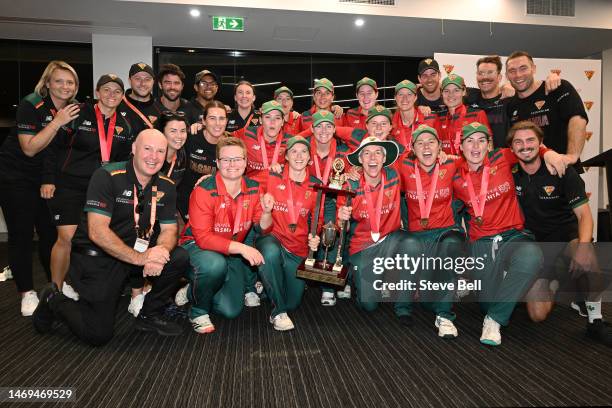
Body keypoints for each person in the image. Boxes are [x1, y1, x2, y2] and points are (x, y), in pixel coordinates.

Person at [32, 129, 188, 345]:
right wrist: (141, 259)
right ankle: (54, 299)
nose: (153, 156)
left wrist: (160, 251)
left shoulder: (166, 186)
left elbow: (170, 229)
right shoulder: (106, 176)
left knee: (178, 257)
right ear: (134, 149)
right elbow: (97, 232)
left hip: (138, 252)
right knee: (97, 335)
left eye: (160, 151)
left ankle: (148, 314)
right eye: (147, 149)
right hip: (99, 257)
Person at [452, 121, 565, 346]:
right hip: (481, 240)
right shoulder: (454, 174)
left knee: (530, 256)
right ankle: (507, 290)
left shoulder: (501, 157)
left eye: (481, 141)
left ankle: (494, 320)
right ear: (461, 147)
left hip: (513, 234)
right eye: (469, 141)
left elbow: (526, 147)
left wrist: (548, 152)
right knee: (486, 302)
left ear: (489, 145)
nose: (475, 146)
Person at [509, 121, 612, 346]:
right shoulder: (509, 174)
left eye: (530, 140)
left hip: (566, 236)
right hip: (533, 245)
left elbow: (585, 215)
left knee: (588, 260)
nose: (525, 146)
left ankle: (595, 320)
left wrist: (584, 246)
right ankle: (557, 281)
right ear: (512, 148)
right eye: (518, 142)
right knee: (537, 314)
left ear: (541, 144)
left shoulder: (561, 170)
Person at [0, 61, 80, 316]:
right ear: (47, 83)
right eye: (59, 81)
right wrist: (57, 122)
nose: (65, 86)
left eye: (70, 82)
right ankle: (26, 293)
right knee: (21, 235)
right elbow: (31, 147)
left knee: (50, 235)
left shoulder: (72, 110)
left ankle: (55, 285)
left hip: (47, 179)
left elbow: (59, 151)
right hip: (16, 177)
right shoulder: (30, 104)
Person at [47, 74, 136, 298]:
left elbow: (123, 162)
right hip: (71, 184)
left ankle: (81, 282)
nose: (111, 95)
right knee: (66, 237)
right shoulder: (77, 113)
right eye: (106, 90)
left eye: (117, 91)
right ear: (97, 92)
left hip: (102, 189)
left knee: (95, 237)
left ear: (122, 96)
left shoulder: (124, 126)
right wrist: (47, 179)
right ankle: (55, 288)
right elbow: (52, 148)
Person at [178, 137, 274, 334]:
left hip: (230, 250)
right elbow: (203, 238)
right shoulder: (204, 190)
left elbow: (262, 229)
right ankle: (198, 311)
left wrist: (266, 213)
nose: (232, 165)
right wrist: (242, 248)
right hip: (197, 248)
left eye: (237, 159)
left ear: (246, 162)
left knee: (230, 310)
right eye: (226, 160)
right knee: (214, 265)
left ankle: (192, 289)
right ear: (218, 163)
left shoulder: (254, 187)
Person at [337, 137, 422, 325]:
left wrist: (441, 153)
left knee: (413, 244)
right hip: (363, 246)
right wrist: (343, 218)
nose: (372, 157)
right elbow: (345, 229)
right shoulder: (349, 185)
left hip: (391, 238)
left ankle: (404, 307)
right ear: (360, 160)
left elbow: (420, 158)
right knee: (369, 306)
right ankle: (359, 279)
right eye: (367, 153)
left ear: (384, 159)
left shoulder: (394, 175)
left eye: (378, 153)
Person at [398, 125, 464, 338]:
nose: (426, 147)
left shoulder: (452, 164)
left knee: (452, 246)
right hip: (416, 236)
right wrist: (354, 170)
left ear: (439, 146)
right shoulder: (403, 166)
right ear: (413, 148)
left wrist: (546, 152)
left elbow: (479, 157)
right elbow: (375, 165)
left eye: (431, 142)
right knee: (426, 297)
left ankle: (445, 316)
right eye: (420, 143)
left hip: (444, 233)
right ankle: (403, 307)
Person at [256, 136, 322, 330]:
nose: (299, 155)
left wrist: (315, 236)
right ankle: (278, 312)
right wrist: (208, 177)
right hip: (273, 239)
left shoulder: (317, 185)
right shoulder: (272, 175)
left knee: (293, 302)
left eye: (303, 151)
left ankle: (269, 286)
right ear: (286, 157)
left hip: (297, 248)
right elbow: (240, 178)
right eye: (294, 151)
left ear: (310, 158)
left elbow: (317, 219)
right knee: (269, 251)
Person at [505, 51, 588, 171]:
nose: (518, 75)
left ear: (533, 69)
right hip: (530, 176)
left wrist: (572, 156)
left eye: (523, 68)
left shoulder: (558, 88)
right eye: (512, 71)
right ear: (507, 75)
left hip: (562, 170)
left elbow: (577, 119)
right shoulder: (511, 105)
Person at [466, 55, 561, 149]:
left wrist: (553, 77)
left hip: (505, 161)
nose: (484, 77)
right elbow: (452, 88)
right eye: (480, 73)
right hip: (475, 158)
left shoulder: (511, 99)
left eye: (490, 72)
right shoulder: (469, 96)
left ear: (499, 77)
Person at [178, 100, 228, 220]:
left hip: (218, 204)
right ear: (204, 121)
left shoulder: (231, 144)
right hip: (187, 201)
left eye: (221, 118)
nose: (217, 123)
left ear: (226, 121)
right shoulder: (192, 138)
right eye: (212, 118)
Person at [233, 100, 292, 185]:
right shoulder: (247, 134)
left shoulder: (290, 142)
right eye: (268, 117)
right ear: (260, 120)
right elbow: (222, 138)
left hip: (277, 189)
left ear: (282, 122)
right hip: (251, 189)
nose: (273, 122)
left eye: (277, 118)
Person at [433, 73, 491, 156]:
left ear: (464, 91)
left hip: (470, 167)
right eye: (446, 91)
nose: (451, 95)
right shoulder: (439, 118)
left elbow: (489, 146)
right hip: (446, 167)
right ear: (441, 93)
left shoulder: (477, 114)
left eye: (456, 90)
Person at [391, 79, 436, 150]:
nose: (404, 98)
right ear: (395, 98)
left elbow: (440, 146)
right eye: (400, 94)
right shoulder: (390, 124)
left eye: (409, 94)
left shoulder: (431, 118)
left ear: (415, 97)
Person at [120, 62, 161, 132]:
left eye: (147, 79)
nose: (143, 83)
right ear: (130, 81)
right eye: (137, 79)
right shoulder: (116, 106)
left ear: (153, 82)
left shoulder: (161, 111)